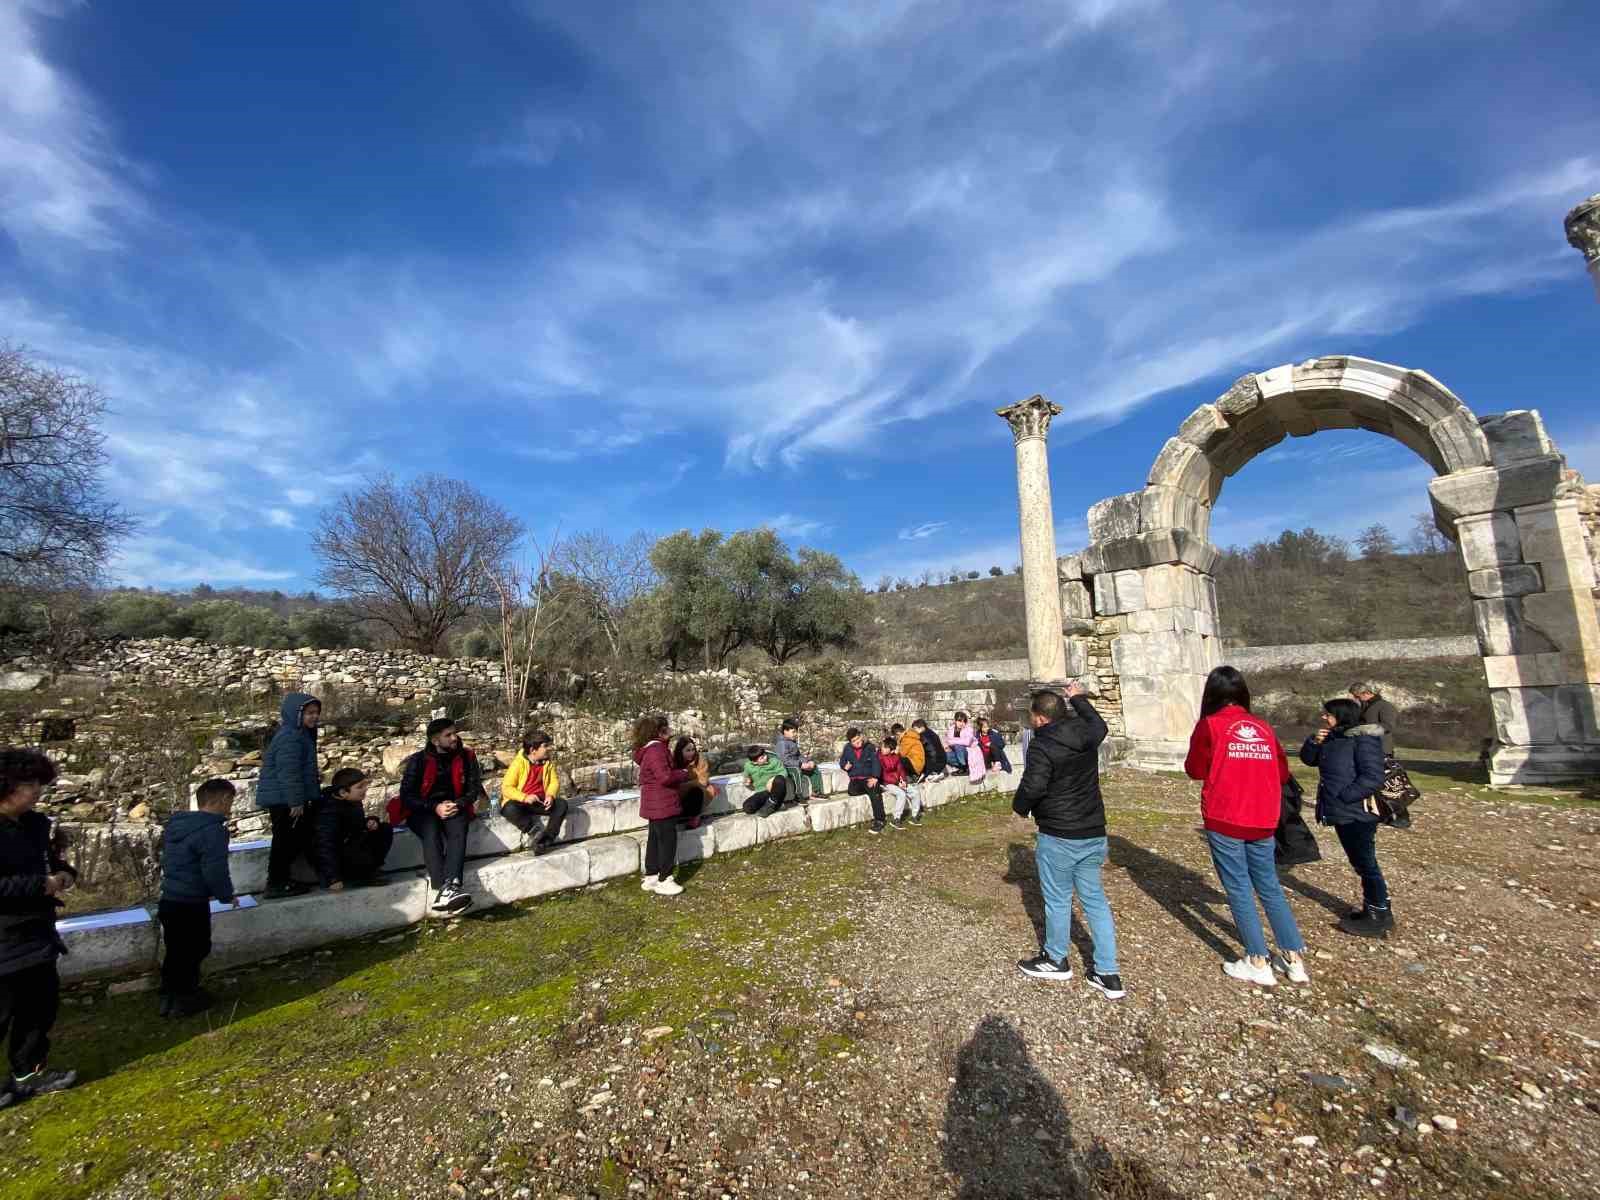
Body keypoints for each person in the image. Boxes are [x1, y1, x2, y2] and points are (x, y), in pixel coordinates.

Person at [1184, 666, 1310, 987]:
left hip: (1226, 815)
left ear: (1210, 694)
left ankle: (1257, 960)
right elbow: (1282, 772)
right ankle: (1294, 959)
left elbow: (1195, 769)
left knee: (1239, 887)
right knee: (1269, 885)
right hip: (1263, 817)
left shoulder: (1210, 726)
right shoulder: (1264, 727)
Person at [1011, 686, 1124, 999]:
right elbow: (1100, 725)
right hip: (1092, 830)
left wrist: (1019, 806)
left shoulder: (1042, 745)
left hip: (1059, 833)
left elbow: (1033, 785)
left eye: (1033, 715)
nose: (1031, 720)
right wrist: (1078, 698)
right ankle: (1107, 972)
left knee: (1058, 899)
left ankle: (1056, 959)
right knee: (1095, 900)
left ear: (1042, 718)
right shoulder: (1085, 733)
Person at [0, 748, 77, 1106]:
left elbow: (52, 862)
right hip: (3, 937)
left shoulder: (35, 825)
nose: (35, 791)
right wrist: (37, 884)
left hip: (36, 935)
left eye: (39, 783)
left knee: (39, 1008)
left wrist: (63, 874)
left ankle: (29, 1072)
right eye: (27, 784)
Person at [1302, 698, 1392, 938]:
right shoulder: (1334, 738)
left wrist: (1344, 797)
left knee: (1366, 863)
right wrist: (1313, 741)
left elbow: (1373, 777)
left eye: (1327, 714)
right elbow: (1309, 760)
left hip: (1357, 813)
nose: (1323, 717)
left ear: (1341, 715)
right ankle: (1373, 906)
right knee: (1359, 861)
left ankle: (1379, 914)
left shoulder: (1363, 740)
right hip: (1342, 812)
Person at [158, 777, 238, 1018]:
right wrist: (226, 895)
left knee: (175, 950)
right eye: (230, 801)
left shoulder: (178, 825)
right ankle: (185, 998)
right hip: (191, 901)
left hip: (170, 898)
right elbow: (215, 869)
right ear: (224, 799)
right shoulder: (213, 830)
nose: (230, 807)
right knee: (195, 948)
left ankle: (169, 993)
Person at [398, 718, 482, 916]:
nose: (454, 738)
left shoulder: (467, 756)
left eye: (455, 733)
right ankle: (443, 887)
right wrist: (434, 807)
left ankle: (450, 885)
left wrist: (458, 804)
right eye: (448, 735)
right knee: (431, 831)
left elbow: (473, 789)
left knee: (458, 830)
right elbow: (407, 796)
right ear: (435, 741)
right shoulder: (418, 761)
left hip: (454, 806)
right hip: (424, 809)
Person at [255, 691, 321, 899]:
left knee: (293, 839)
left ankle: (284, 880)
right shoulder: (291, 737)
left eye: (316, 713)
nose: (314, 717)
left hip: (288, 798)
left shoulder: (301, 734)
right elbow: (289, 772)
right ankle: (276, 883)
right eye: (309, 713)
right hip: (284, 800)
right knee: (284, 842)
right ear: (296, 714)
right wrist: (295, 801)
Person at [308, 768, 394, 888]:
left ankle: (371, 870)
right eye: (360, 787)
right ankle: (363, 875)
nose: (365, 789)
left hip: (350, 847)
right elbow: (324, 845)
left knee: (384, 829)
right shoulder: (327, 812)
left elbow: (355, 825)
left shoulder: (353, 800)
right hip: (338, 858)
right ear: (343, 792)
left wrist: (371, 821)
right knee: (358, 841)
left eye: (365, 785)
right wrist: (333, 878)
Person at [634, 716, 689, 895]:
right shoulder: (657, 749)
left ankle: (651, 875)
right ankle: (665, 878)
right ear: (659, 731)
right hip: (663, 802)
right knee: (667, 841)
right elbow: (664, 777)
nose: (670, 730)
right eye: (667, 728)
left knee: (655, 839)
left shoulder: (648, 749)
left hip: (653, 802)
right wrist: (682, 774)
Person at [499, 730, 568, 855]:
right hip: (522, 803)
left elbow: (554, 782)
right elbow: (506, 788)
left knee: (561, 804)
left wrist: (550, 795)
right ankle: (534, 831)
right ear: (533, 750)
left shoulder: (547, 763)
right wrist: (524, 797)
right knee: (508, 808)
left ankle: (545, 840)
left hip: (540, 801)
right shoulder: (518, 764)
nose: (549, 749)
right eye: (545, 746)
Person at [839, 728, 887, 834]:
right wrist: (844, 766)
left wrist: (875, 777)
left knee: (873, 791)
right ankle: (876, 789)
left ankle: (879, 820)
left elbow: (876, 762)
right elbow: (842, 761)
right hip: (855, 779)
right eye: (854, 741)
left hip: (868, 778)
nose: (857, 742)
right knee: (851, 791)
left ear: (861, 736)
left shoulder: (869, 747)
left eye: (858, 739)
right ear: (850, 742)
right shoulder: (847, 748)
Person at [773, 718, 827, 801]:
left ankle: (816, 792)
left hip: (796, 764)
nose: (796, 734)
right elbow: (784, 760)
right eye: (793, 732)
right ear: (785, 731)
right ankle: (798, 794)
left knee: (814, 768)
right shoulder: (782, 743)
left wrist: (808, 761)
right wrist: (800, 764)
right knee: (796, 771)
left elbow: (798, 755)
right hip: (786, 767)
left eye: (796, 731)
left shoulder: (792, 742)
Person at [670, 736, 717, 830]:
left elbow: (703, 781)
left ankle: (695, 818)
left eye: (693, 749)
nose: (691, 753)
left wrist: (686, 785)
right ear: (680, 751)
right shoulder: (673, 762)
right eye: (688, 750)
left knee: (696, 791)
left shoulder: (700, 760)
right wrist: (693, 782)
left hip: (697, 795)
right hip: (679, 798)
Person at [878, 735, 921, 828]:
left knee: (915, 792)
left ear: (892, 750)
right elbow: (885, 775)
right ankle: (896, 818)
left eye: (885, 747)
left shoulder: (896, 757)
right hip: (887, 783)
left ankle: (915, 815)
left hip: (899, 782)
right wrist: (897, 783)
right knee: (901, 794)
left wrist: (904, 781)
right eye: (883, 746)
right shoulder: (880, 758)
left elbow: (901, 770)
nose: (882, 748)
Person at [740, 745, 791, 818]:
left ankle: (771, 805)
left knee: (779, 779)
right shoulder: (748, 766)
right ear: (754, 762)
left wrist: (772, 780)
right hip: (762, 792)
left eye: (764, 755)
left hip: (775, 791)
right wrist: (747, 781)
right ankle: (776, 805)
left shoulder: (774, 761)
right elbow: (746, 777)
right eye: (762, 758)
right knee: (747, 807)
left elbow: (784, 772)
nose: (765, 757)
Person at [1348, 683, 1399, 757]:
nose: (1356, 699)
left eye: (1357, 696)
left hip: (1380, 748)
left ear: (1367, 693)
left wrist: (1364, 729)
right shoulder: (1364, 705)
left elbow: (1388, 726)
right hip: (1365, 746)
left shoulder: (1385, 706)